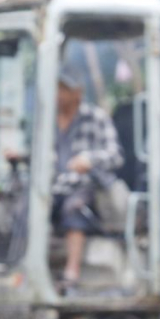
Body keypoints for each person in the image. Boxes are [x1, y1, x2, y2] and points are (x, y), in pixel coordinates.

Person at [52, 61, 124, 290]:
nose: (59, 94)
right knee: (27, 206)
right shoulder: (47, 120)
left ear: (78, 92)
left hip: (86, 186)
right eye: (57, 87)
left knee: (74, 207)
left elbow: (116, 156)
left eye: (64, 88)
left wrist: (89, 160)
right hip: (53, 187)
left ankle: (71, 272)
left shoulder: (96, 117)